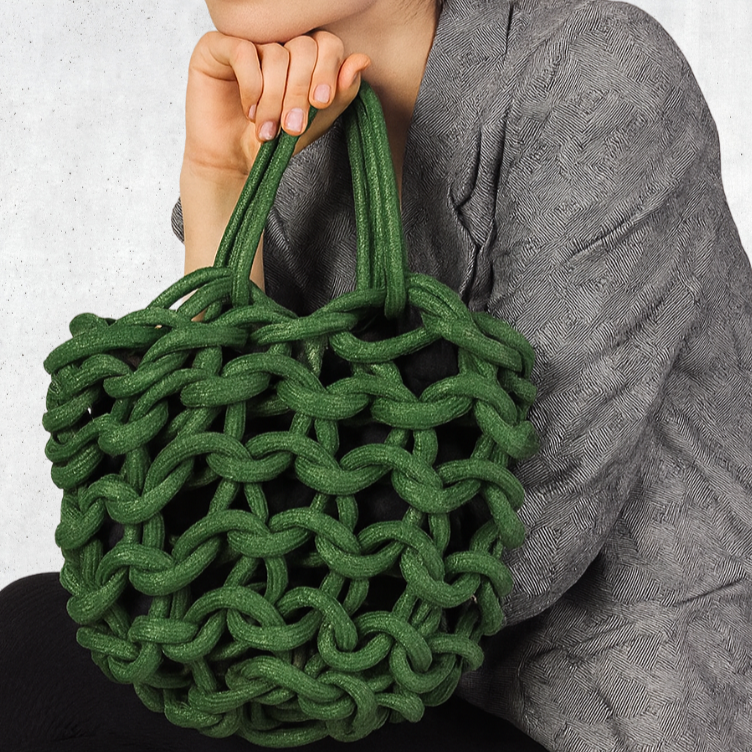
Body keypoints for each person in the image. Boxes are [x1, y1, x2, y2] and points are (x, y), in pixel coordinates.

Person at [1, 0, 751, 750]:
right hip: (361, 675)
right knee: (37, 642)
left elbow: (521, 548)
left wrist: (256, 568)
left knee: (34, 654)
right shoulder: (298, 148)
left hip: (587, 711)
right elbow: (196, 531)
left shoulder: (596, 73)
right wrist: (218, 188)